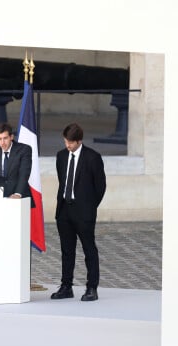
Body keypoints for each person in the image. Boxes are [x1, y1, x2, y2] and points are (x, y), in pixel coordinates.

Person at [51, 123, 106, 302]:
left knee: (89, 249)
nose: (68, 145)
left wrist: (89, 206)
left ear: (79, 141)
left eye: (71, 142)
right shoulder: (60, 156)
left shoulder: (92, 157)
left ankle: (92, 287)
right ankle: (66, 286)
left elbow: (100, 186)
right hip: (64, 210)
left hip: (84, 211)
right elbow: (62, 180)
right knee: (67, 250)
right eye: (66, 141)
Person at [0, 123, 32, 199]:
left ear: (11, 137)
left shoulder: (24, 149)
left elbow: (24, 174)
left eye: (5, 138)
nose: (2, 142)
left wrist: (18, 194)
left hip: (20, 196)